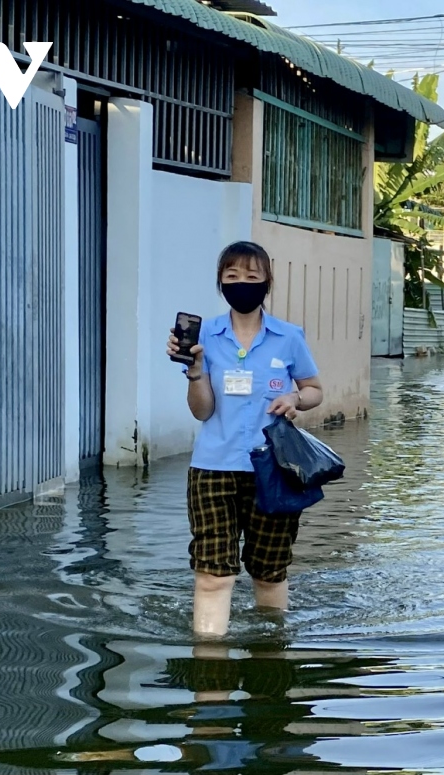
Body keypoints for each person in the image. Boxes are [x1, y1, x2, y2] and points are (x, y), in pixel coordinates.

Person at [165, 241, 324, 637]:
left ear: (267, 281)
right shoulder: (208, 338)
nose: (242, 284)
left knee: (269, 573)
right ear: (220, 282)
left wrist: (294, 398)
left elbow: (315, 389)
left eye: (252, 276)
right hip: (213, 469)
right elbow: (202, 411)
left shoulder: (288, 337)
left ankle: (269, 661)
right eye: (232, 276)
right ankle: (210, 667)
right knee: (212, 574)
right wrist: (196, 371)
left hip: (273, 470)